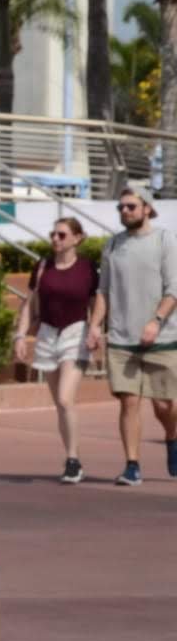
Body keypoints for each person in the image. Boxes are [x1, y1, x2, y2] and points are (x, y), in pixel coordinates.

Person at [86, 187, 177, 486]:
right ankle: (132, 465)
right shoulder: (113, 245)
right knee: (129, 402)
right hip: (122, 340)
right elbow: (103, 291)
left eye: (131, 206)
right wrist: (95, 326)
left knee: (165, 406)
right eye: (121, 207)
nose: (125, 211)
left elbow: (173, 290)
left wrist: (156, 321)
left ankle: (173, 437)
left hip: (162, 337)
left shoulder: (165, 240)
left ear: (147, 208)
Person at [12, 218, 98, 484]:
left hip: (77, 333)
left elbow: (97, 302)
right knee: (61, 407)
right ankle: (72, 456)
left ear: (77, 238)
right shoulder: (42, 266)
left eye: (62, 234)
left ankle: (72, 460)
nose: (56, 239)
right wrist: (20, 335)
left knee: (64, 399)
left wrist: (95, 329)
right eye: (53, 234)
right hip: (48, 334)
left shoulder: (87, 269)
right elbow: (29, 303)